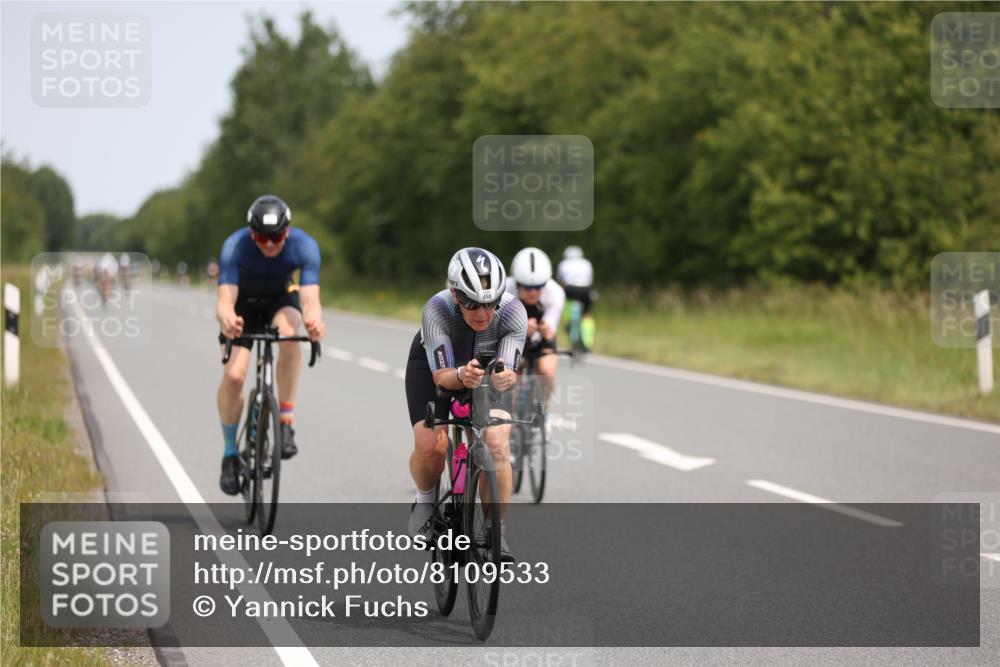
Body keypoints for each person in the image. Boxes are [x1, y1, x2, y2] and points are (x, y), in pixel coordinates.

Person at [405, 247, 526, 560]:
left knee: (498, 445)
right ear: (454, 294)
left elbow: (508, 370)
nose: (483, 313)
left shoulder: (513, 312)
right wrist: (460, 375)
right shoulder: (437, 309)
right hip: (438, 367)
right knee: (432, 443)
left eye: (490, 303)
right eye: (471, 303)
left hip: (486, 366)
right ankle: (425, 500)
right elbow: (442, 377)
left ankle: (496, 533)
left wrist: (503, 378)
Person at [215, 195, 326, 495]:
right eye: (262, 237)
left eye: (275, 237)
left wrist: (315, 322)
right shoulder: (234, 247)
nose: (268, 244)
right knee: (235, 376)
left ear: (287, 231)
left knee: (291, 335)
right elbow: (225, 300)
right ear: (251, 233)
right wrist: (227, 319)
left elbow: (310, 300)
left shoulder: (304, 246)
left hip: (280, 301)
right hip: (244, 308)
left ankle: (285, 421)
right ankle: (229, 455)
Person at [506, 247, 564, 402]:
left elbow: (550, 329)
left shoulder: (555, 292)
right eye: (527, 287)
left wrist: (545, 329)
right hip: (512, 337)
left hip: (541, 337)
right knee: (509, 383)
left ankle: (545, 410)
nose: (533, 292)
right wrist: (521, 327)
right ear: (517, 283)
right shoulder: (505, 290)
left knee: (547, 372)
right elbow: (498, 324)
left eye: (539, 287)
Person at [556, 245, 595, 352]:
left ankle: (569, 322)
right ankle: (587, 342)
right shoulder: (587, 263)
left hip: (570, 290)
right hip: (586, 290)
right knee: (587, 314)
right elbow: (590, 280)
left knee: (565, 302)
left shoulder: (563, 264)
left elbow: (560, 282)